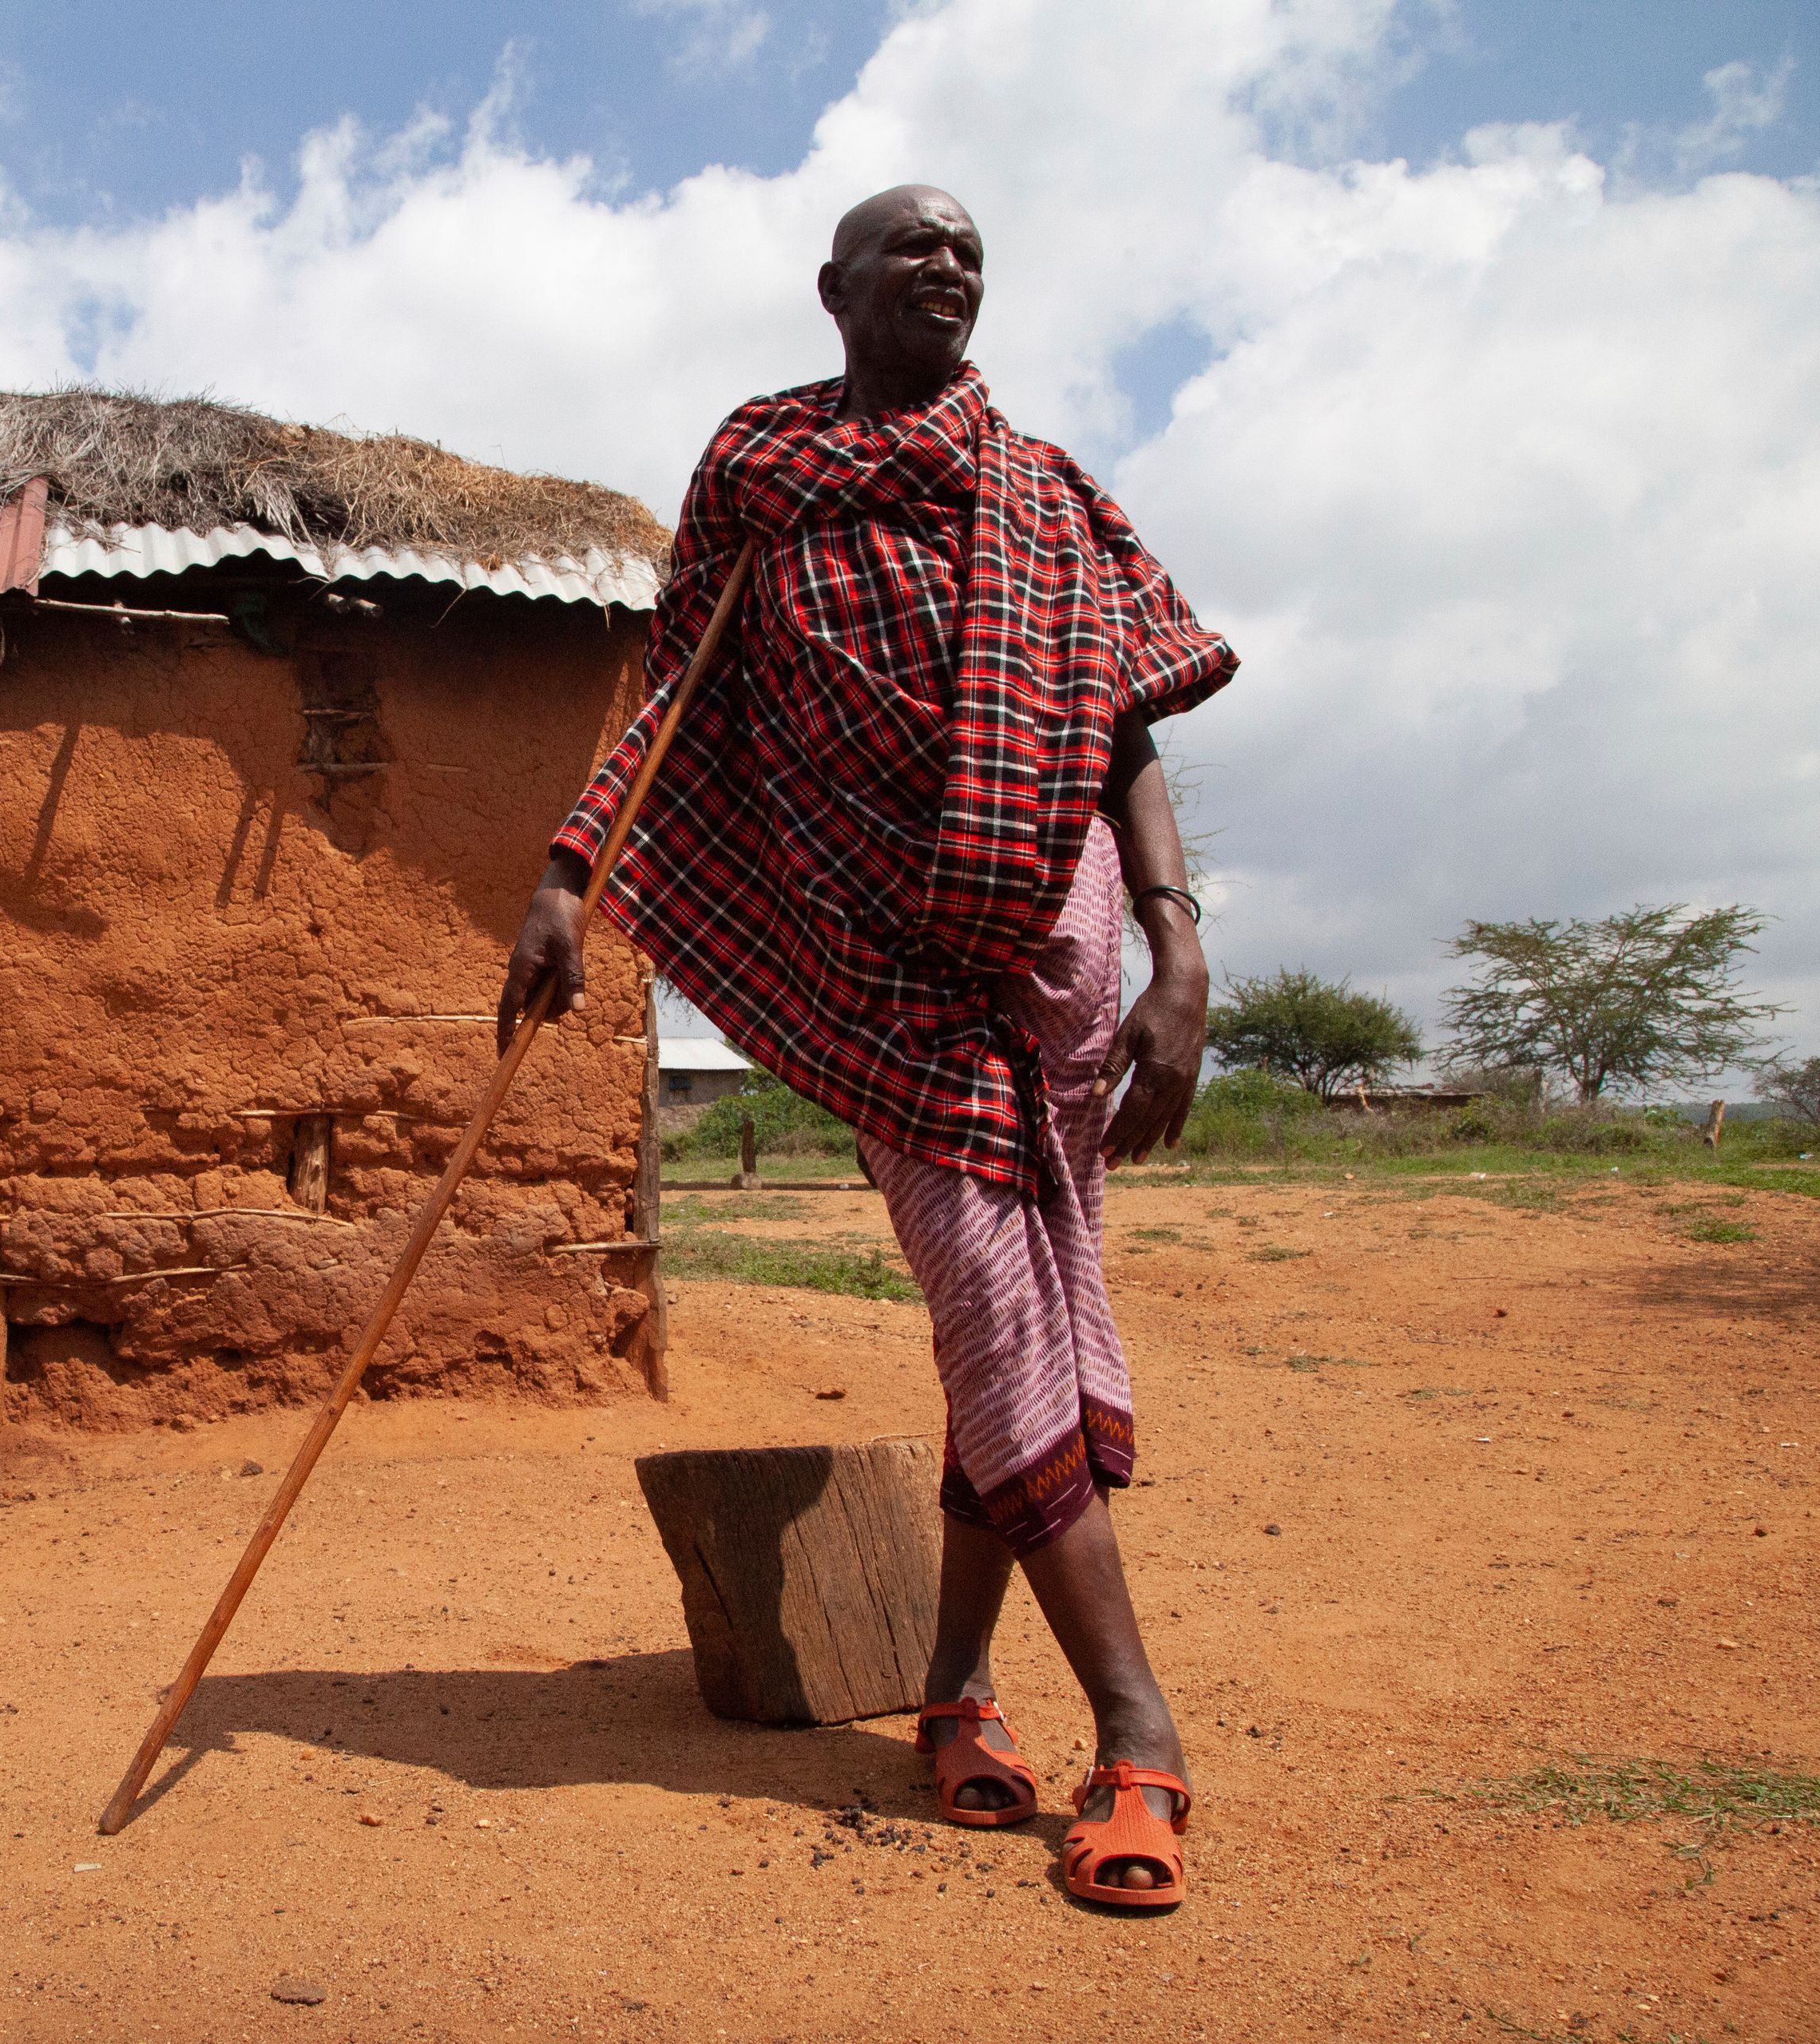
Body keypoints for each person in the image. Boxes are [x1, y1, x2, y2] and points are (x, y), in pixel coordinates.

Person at [498, 186, 1235, 1907]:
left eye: (973, 246)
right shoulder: (764, 478)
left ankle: (960, 1690)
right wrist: (565, 869)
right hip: (882, 966)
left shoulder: (1048, 496)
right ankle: (1139, 1721)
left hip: (1057, 950)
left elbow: (1121, 731)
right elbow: (675, 696)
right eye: (913, 244)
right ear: (833, 289)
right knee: (992, 1299)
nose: (951, 264)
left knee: (1027, 1317)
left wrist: (1179, 945)